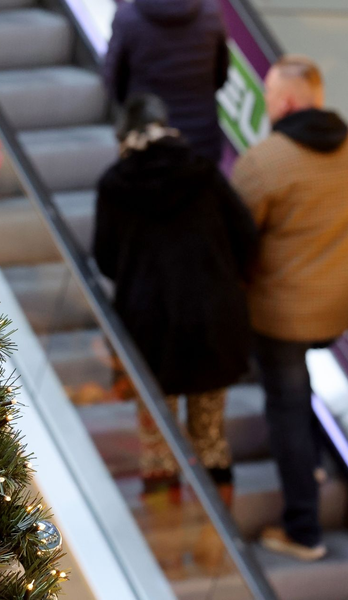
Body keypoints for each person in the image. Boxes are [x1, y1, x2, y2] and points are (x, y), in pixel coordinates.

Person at [94, 95, 258, 504]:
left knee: (156, 443)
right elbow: (247, 238)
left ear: (124, 135)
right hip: (212, 320)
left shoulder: (115, 184)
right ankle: (215, 551)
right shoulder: (204, 173)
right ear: (166, 127)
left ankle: (168, 552)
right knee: (210, 436)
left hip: (149, 332)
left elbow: (106, 258)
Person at [232, 55, 348, 561]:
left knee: (287, 407)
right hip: (335, 307)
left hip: (280, 315)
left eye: (271, 94)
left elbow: (235, 243)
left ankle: (304, 530)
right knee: (302, 392)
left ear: (288, 101)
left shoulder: (265, 161)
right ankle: (320, 462)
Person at [104, 0, 230, 163]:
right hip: (201, 142)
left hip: (147, 143)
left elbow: (113, 82)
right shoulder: (210, 11)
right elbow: (221, 75)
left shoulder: (127, 17)